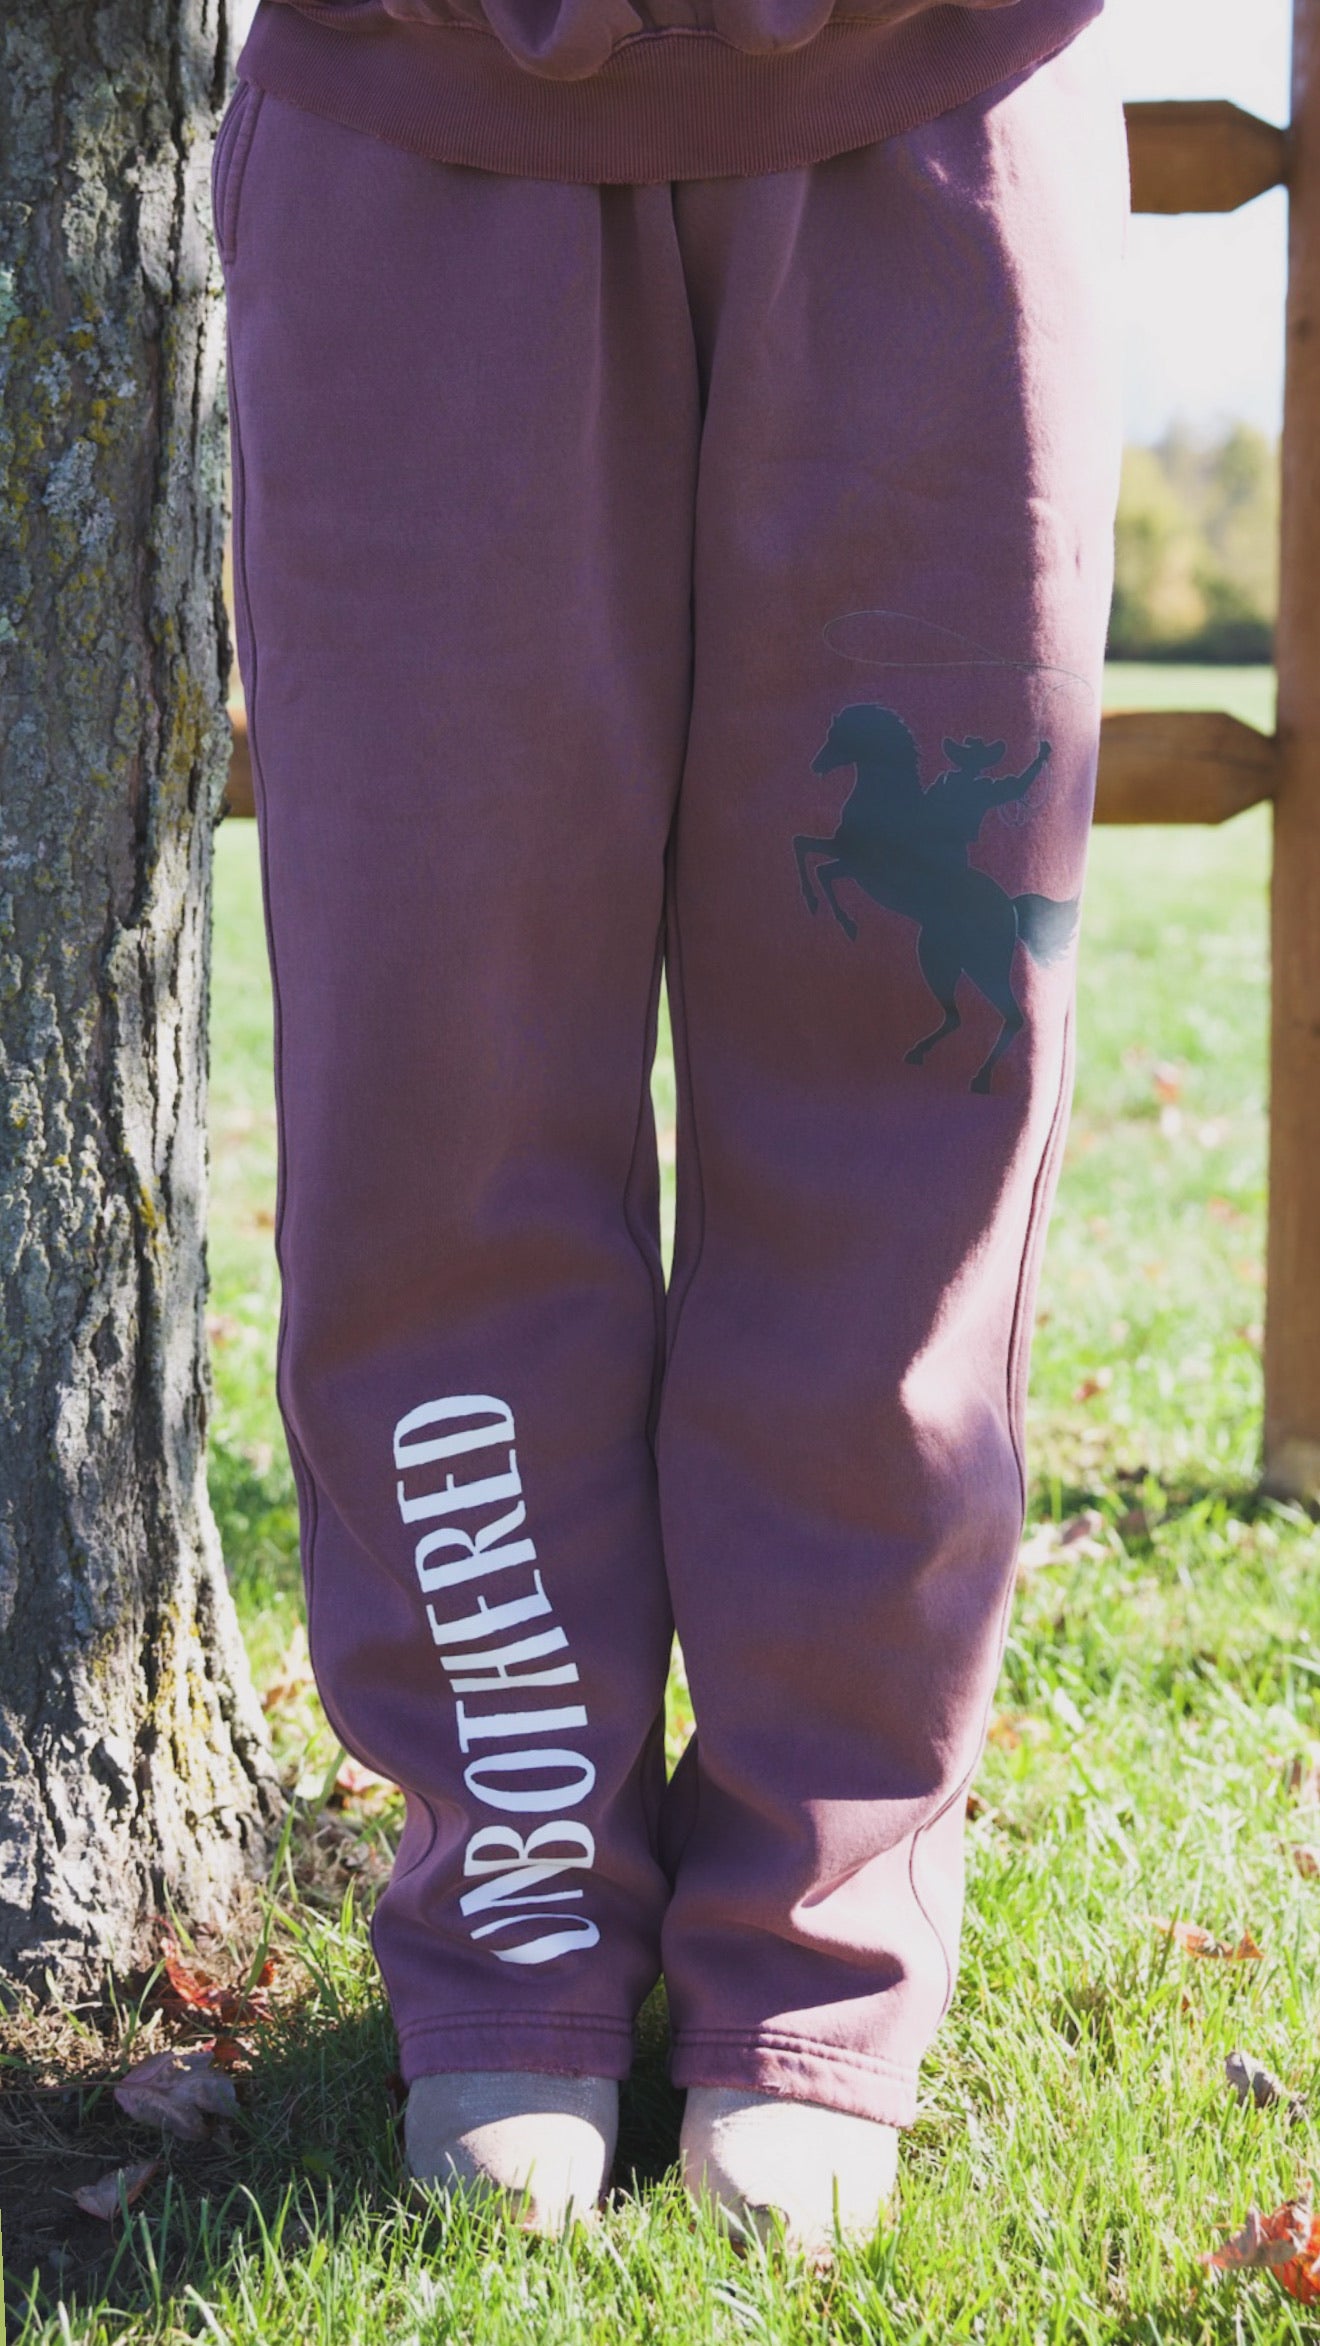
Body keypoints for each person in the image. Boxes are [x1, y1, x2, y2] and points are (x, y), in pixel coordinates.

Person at [212, 0, 1126, 2257]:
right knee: (438, 1089)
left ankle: (817, 1926)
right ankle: (515, 1902)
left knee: (901, 1074)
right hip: (422, 116)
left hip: (932, 101)